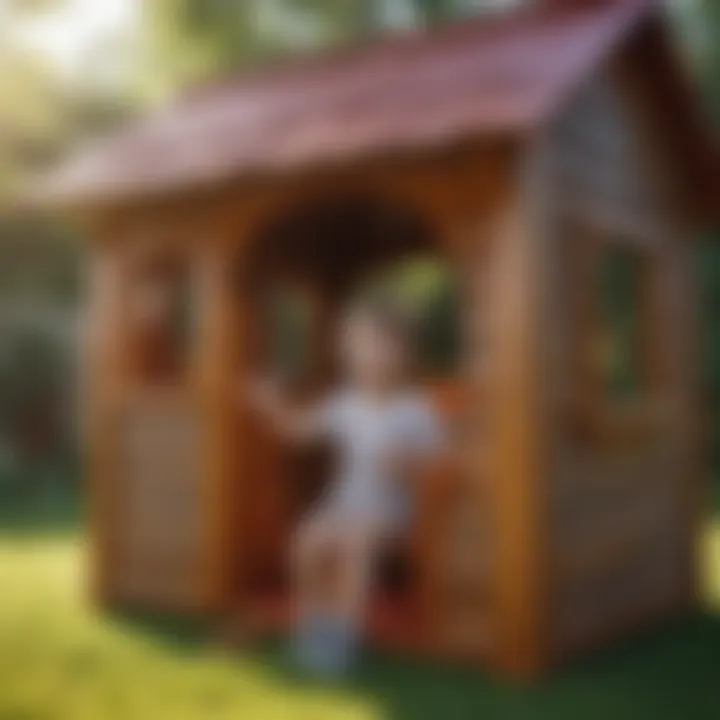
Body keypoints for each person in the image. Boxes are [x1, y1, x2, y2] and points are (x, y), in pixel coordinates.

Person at [247, 298, 444, 677]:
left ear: (402, 356)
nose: (369, 358)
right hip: (347, 504)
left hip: (394, 514)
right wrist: (270, 405)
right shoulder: (345, 404)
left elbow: (439, 462)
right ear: (349, 355)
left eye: (380, 349)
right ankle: (314, 632)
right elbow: (297, 432)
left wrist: (408, 463)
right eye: (360, 349)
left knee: (356, 543)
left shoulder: (416, 408)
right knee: (306, 540)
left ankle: (341, 642)